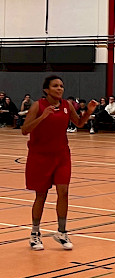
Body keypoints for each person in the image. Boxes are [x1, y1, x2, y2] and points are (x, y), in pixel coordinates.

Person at [21, 75, 97, 250]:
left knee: (63, 191)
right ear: (46, 90)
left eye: (61, 86)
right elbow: (25, 130)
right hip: (40, 156)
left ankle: (61, 232)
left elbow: (78, 123)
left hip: (62, 155)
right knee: (41, 195)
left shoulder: (66, 105)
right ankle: (34, 234)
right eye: (55, 86)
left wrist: (89, 112)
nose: (59, 89)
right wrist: (43, 117)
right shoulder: (37, 106)